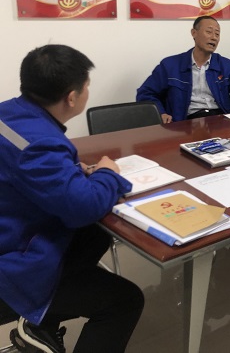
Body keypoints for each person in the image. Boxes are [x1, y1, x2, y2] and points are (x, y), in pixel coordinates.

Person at [0, 45, 144, 353]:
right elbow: (84, 207)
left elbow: (21, 165)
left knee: (95, 234)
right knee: (125, 301)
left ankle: (42, 325)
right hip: (11, 266)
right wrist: (107, 173)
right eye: (87, 86)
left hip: (12, 225)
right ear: (71, 97)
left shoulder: (9, 113)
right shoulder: (40, 143)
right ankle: (39, 315)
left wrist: (72, 170)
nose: (88, 91)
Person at [137, 16, 230, 123]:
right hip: (186, 122)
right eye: (209, 32)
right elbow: (146, 93)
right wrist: (160, 113)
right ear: (194, 33)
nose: (214, 37)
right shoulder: (170, 65)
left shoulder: (225, 65)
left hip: (221, 119)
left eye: (217, 34)